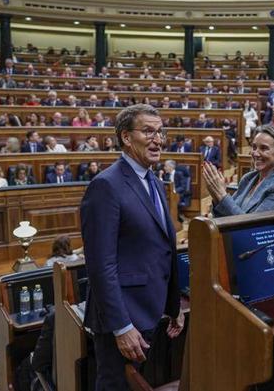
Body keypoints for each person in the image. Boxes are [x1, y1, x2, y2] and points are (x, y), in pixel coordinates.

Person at [80, 104, 184, 391]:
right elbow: (101, 265)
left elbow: (162, 247)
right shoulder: (106, 185)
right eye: (148, 131)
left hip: (150, 311)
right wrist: (122, 327)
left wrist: (173, 305)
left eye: (160, 132)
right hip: (123, 320)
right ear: (126, 137)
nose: (158, 139)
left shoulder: (154, 180)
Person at [204, 125, 274, 217]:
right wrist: (216, 195)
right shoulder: (248, 178)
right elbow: (226, 216)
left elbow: (253, 227)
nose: (255, 153)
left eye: (263, 148)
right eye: (254, 147)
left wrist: (222, 194)